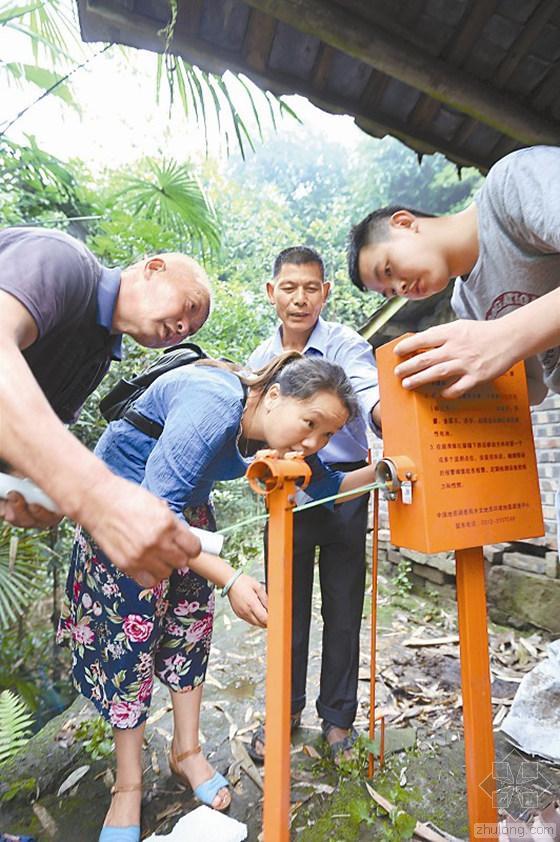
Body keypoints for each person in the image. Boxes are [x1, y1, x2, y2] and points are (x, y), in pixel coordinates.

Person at [58, 351, 377, 841]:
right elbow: (156, 507)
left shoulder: (285, 435)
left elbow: (326, 485)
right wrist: (229, 579)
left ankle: (186, 752)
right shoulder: (214, 400)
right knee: (131, 650)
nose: (314, 443)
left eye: (328, 435)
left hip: (187, 515)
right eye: (311, 423)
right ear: (274, 396)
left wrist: (388, 473)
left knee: (189, 636)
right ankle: (128, 783)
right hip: (124, 517)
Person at [0, 227, 212, 585]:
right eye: (188, 307)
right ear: (154, 267)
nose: (181, 326)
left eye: (189, 331)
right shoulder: (66, 261)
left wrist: (39, 492)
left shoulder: (98, 356)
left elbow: (22, 444)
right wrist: (93, 493)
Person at [247, 246, 381, 763]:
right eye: (289, 287)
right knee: (286, 607)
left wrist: (389, 421)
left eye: (310, 288)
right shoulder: (262, 358)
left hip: (343, 485)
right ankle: (284, 712)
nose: (299, 299)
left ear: (326, 292)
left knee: (344, 607)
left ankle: (338, 719)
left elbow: (367, 393)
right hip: (283, 489)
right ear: (271, 292)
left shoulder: (346, 345)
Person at [347, 145, 560, 404]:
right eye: (391, 291)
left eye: (388, 270)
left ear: (404, 223)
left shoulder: (513, 183)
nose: (400, 288)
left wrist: (501, 337)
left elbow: (501, 343)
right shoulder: (466, 303)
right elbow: (534, 387)